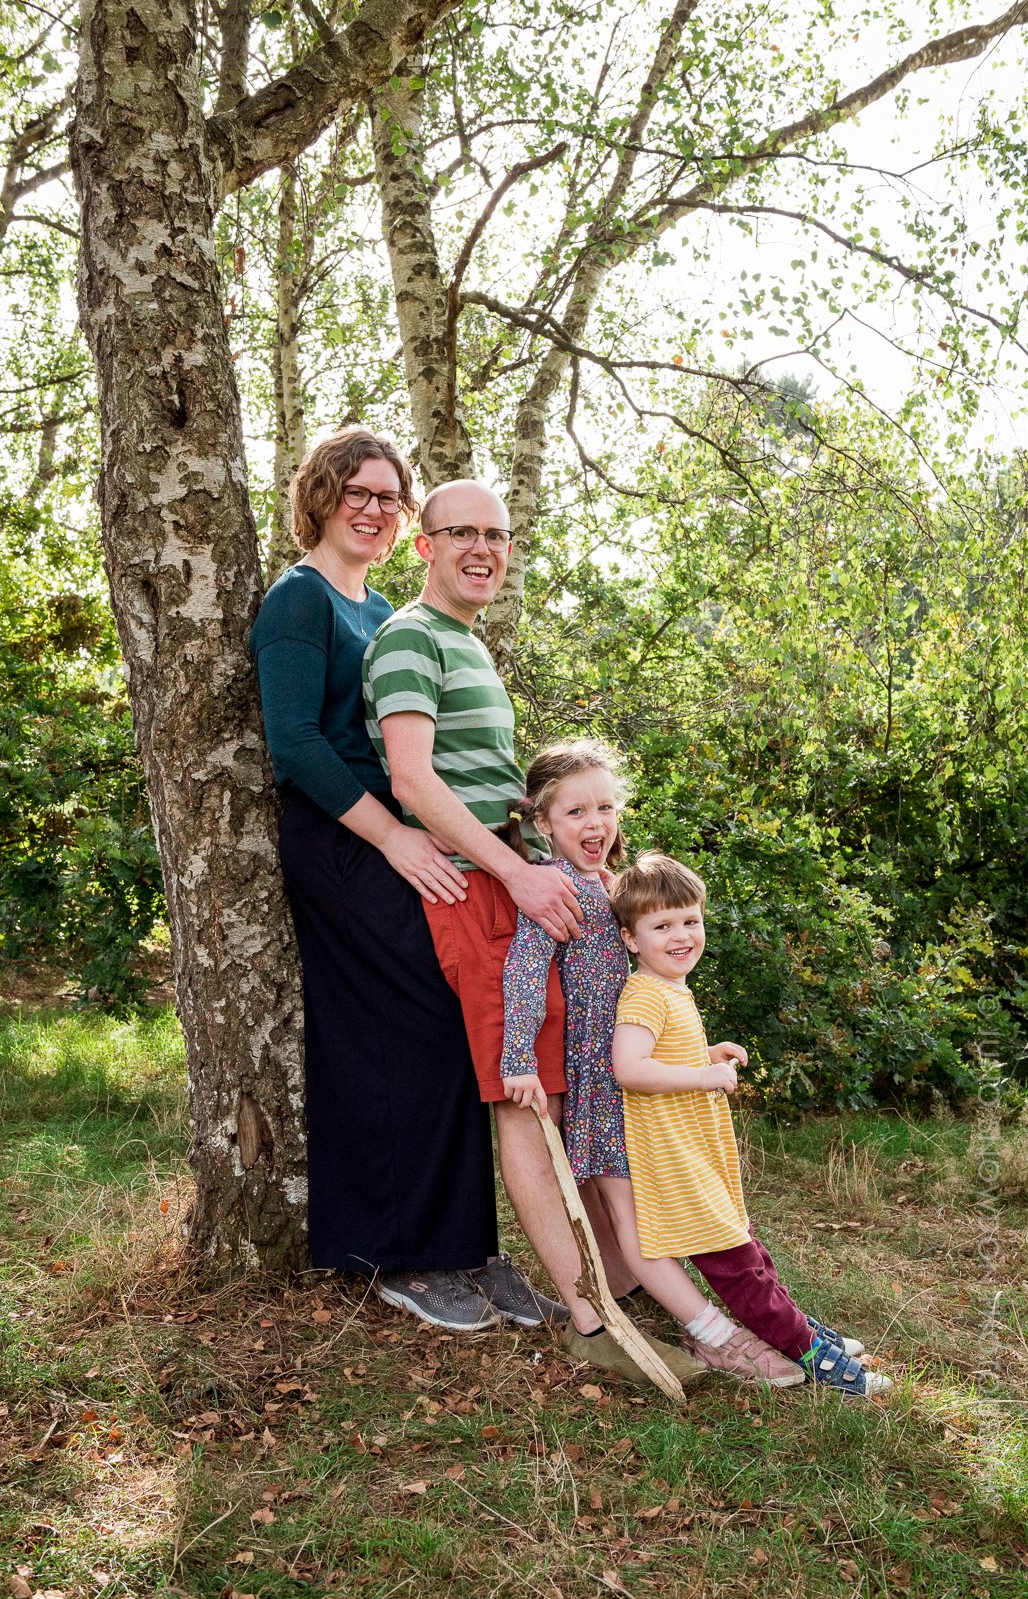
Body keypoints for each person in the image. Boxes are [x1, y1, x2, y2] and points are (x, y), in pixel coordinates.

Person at [362, 480, 707, 1390]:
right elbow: (413, 780)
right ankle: (588, 1317)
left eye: (496, 534)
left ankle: (617, 1278)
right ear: (422, 545)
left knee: (555, 1083)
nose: (482, 548)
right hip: (474, 888)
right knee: (524, 1097)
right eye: (460, 532)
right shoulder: (409, 637)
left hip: (508, 883)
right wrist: (514, 871)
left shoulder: (462, 642)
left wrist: (548, 865)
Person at [250, 428, 559, 1332]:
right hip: (344, 837)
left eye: (390, 496)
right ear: (321, 495)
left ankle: (465, 1242)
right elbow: (296, 741)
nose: (375, 508)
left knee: (457, 1024)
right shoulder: (298, 602)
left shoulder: (374, 605)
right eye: (359, 490)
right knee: (411, 1022)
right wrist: (392, 837)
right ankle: (398, 1254)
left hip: (397, 834)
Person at [499, 740, 805, 1384]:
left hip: (647, 1090)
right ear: (542, 823)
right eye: (575, 812)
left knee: (669, 1212)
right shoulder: (556, 890)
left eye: (605, 807)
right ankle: (717, 1338)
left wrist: (699, 1052)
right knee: (638, 1224)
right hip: (604, 1090)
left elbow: (649, 997)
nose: (594, 824)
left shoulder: (618, 890)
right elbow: (525, 975)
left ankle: (760, 1321)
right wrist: (519, 1055)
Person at [610, 852, 892, 1398]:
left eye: (690, 920)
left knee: (747, 1249)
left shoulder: (670, 989)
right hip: (672, 1156)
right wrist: (703, 1073)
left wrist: (704, 1051)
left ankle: (801, 1332)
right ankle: (815, 1358)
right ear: (630, 939)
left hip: (692, 1149)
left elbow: (660, 1054)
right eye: (662, 925)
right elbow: (629, 1067)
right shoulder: (644, 993)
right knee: (736, 1263)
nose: (681, 934)